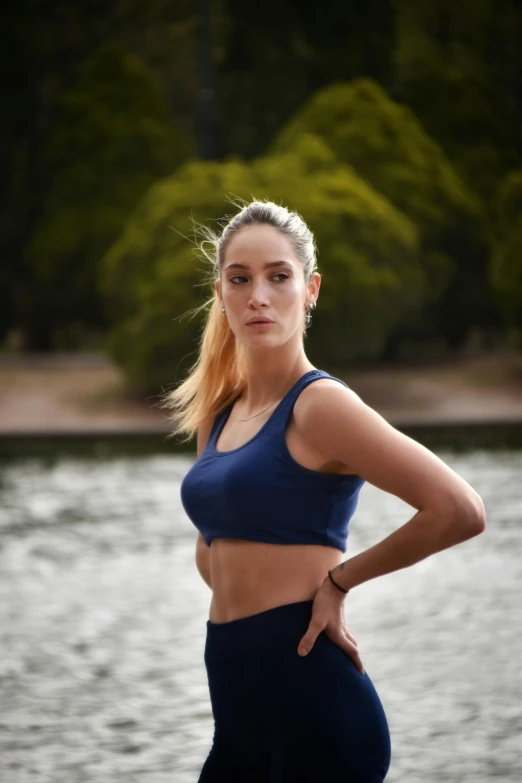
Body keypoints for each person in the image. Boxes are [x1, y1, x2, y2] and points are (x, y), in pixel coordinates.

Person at [163, 199, 486, 782]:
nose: (258, 295)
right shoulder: (217, 414)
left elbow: (459, 510)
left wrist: (339, 581)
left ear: (310, 289)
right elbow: (215, 548)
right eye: (240, 279)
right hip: (237, 708)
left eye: (277, 277)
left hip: (314, 704)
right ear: (221, 294)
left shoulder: (321, 406)